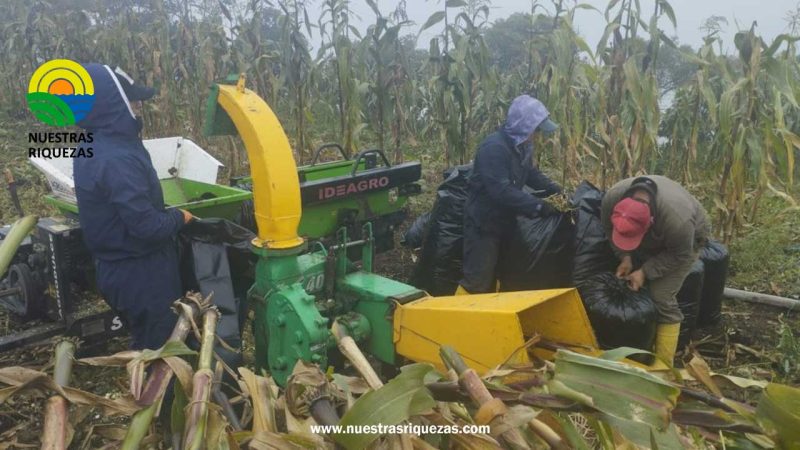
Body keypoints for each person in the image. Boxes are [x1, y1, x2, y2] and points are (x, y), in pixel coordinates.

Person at [73, 64, 193, 350]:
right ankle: (157, 395)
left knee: (148, 341)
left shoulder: (95, 142)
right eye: (132, 99)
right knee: (160, 355)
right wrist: (180, 216)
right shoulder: (117, 158)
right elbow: (148, 227)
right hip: (142, 274)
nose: (139, 105)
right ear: (112, 104)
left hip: (117, 269)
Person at [457, 95, 562, 295]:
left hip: (506, 221)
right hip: (483, 224)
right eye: (536, 129)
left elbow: (530, 173)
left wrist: (554, 189)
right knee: (477, 279)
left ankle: (491, 318)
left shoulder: (522, 146)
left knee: (502, 274)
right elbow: (500, 191)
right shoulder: (494, 148)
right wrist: (538, 206)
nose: (538, 135)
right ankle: (458, 321)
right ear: (524, 125)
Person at [601, 175, 710, 366]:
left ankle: (663, 366)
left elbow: (680, 254)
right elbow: (609, 229)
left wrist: (644, 272)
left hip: (686, 242)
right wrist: (625, 257)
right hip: (661, 231)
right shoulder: (612, 199)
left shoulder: (678, 220)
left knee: (661, 296)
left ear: (650, 222)